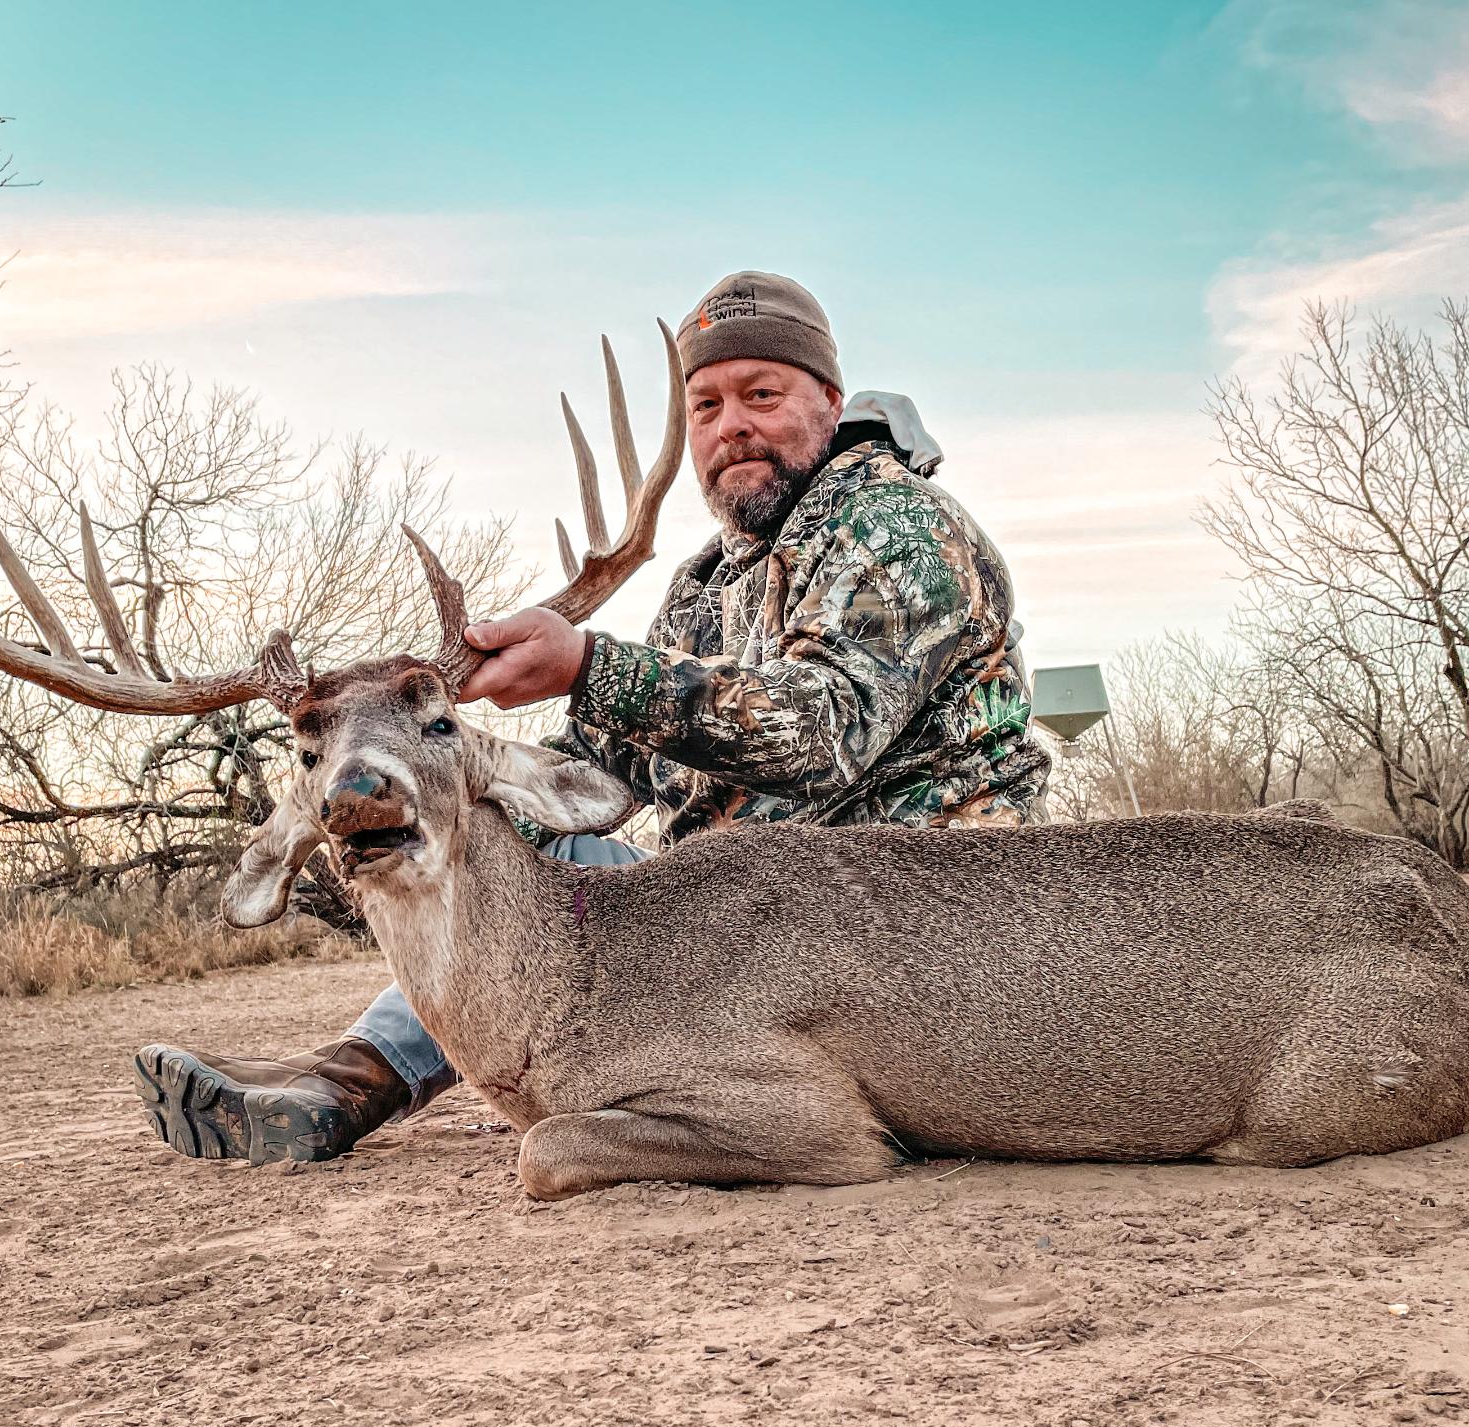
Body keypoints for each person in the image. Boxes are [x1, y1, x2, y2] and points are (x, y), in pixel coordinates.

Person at [134, 271, 1051, 1165]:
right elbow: (593, 771)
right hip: (737, 923)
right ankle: (347, 1081)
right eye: (705, 406)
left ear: (829, 399)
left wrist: (585, 665)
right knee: (506, 837)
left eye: (762, 395)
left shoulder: (897, 528)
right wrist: (418, 784)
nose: (731, 425)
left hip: (909, 920)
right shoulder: (704, 587)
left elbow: (817, 731)